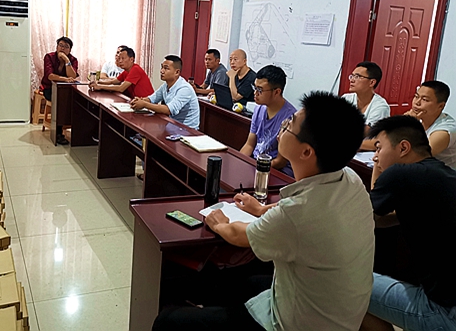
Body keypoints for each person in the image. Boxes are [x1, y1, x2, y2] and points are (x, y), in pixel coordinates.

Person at [153, 91, 375, 331]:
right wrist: (261, 209)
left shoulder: (298, 213)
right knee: (245, 282)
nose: (283, 125)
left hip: (297, 324)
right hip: (337, 312)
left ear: (306, 152)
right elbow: (295, 211)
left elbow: (240, 235)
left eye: (289, 125)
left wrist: (219, 222)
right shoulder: (349, 179)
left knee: (169, 321)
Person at [360, 115, 456, 331]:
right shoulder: (442, 174)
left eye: (378, 148)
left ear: (403, 147)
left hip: (443, 312)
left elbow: (364, 214)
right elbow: (384, 219)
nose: (375, 156)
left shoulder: (400, 174)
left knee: (344, 284)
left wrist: (378, 167)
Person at [239, 65, 295, 176]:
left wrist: (256, 167)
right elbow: (250, 145)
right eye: (255, 88)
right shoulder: (259, 109)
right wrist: (239, 162)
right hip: (257, 164)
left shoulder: (291, 119)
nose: (255, 93)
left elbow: (280, 162)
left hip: (277, 171)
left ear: (276, 92)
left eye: (260, 90)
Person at [130, 55, 199, 129]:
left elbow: (169, 110)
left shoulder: (185, 88)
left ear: (177, 72)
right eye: (162, 67)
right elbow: (152, 98)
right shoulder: (166, 85)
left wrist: (144, 104)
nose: (161, 71)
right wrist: (140, 100)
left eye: (166, 68)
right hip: (173, 124)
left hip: (187, 130)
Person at [403, 80, 456, 169]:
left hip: (442, 176)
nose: (417, 102)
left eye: (425, 100)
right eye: (416, 96)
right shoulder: (418, 117)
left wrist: (409, 124)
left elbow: (415, 157)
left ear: (441, 106)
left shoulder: (445, 130)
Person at [342, 61, 390, 150]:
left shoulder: (381, 106)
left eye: (357, 76)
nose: (352, 80)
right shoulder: (346, 98)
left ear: (372, 82)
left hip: (366, 152)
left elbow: (363, 132)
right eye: (352, 76)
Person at [41, 36, 78, 145]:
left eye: (66, 47)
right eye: (60, 45)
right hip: (49, 89)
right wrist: (65, 79)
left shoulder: (73, 60)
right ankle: (58, 133)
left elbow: (72, 76)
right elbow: (50, 76)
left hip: (65, 91)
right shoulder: (49, 57)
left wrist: (67, 60)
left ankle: (78, 132)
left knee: (77, 101)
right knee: (61, 101)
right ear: (56, 47)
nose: (62, 48)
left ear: (70, 50)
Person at [89, 47, 154, 98]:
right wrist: (97, 82)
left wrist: (100, 86)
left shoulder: (135, 69)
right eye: (119, 58)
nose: (120, 61)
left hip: (147, 104)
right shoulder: (126, 71)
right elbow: (114, 81)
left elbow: (121, 88)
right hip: (137, 101)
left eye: (123, 58)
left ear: (131, 59)